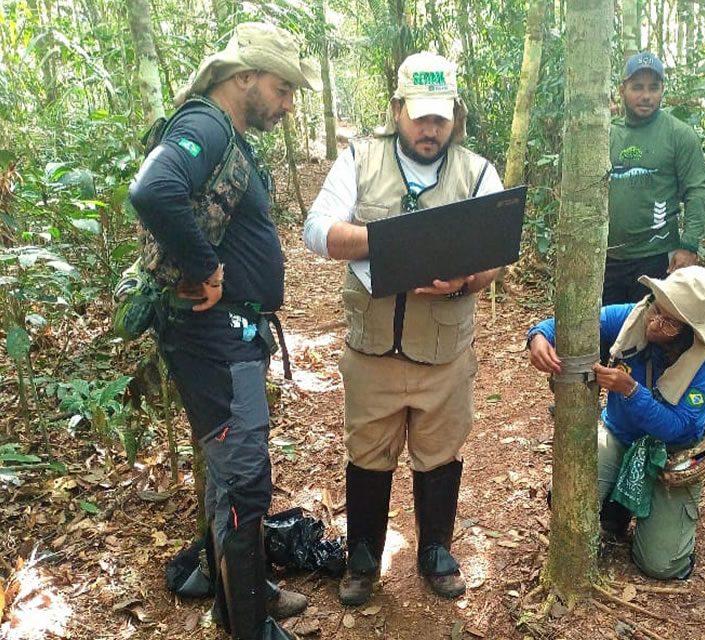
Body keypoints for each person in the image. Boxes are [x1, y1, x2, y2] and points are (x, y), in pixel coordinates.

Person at [128, 22, 319, 640]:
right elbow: (154, 189)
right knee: (243, 484)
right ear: (245, 78)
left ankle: (239, 596)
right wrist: (206, 267)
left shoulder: (224, 133)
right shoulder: (206, 125)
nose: (288, 105)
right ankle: (250, 628)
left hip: (227, 340)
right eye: (283, 89)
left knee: (231, 479)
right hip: (215, 342)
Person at [303, 52, 503, 606]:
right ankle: (364, 555)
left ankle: (434, 550)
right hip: (372, 349)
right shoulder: (360, 160)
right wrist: (390, 242)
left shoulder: (478, 172)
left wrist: (464, 280)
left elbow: (494, 256)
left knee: (441, 452)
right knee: (368, 452)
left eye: (441, 118)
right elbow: (317, 231)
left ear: (455, 117)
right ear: (397, 110)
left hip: (444, 351)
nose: (430, 129)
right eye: (420, 116)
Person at [527, 266, 705, 579]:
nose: (656, 324)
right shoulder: (632, 318)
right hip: (621, 435)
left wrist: (631, 391)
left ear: (689, 332)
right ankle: (617, 508)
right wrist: (539, 337)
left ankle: (654, 512)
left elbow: (680, 427)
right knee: (566, 496)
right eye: (657, 310)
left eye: (670, 324)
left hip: (671, 453)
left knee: (662, 565)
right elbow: (575, 324)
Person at [605, 52, 705, 306]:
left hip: (656, 257)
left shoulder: (679, 135)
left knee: (651, 333)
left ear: (662, 89)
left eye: (654, 87)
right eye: (637, 87)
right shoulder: (607, 135)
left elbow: (696, 191)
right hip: (608, 258)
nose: (646, 96)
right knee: (606, 335)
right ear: (622, 90)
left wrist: (689, 246)